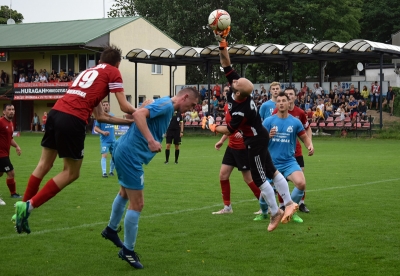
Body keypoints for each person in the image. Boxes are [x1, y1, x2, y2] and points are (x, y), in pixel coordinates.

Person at [13, 45, 137, 235]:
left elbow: (102, 117)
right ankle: (29, 206)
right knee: (71, 173)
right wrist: (141, 115)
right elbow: (124, 105)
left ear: (100, 61)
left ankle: (21, 212)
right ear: (117, 64)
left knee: (43, 164)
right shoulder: (113, 72)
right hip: (73, 118)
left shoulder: (88, 72)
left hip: (56, 112)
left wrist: (128, 124)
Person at [202, 27, 298, 232]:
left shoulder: (239, 109)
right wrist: (222, 42)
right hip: (260, 136)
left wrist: (210, 126)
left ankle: (275, 212)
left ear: (237, 92)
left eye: (235, 82)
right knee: (272, 171)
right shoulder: (240, 92)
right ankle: (289, 203)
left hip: (255, 141)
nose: (233, 80)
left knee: (258, 177)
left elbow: (228, 129)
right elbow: (226, 62)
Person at [100, 87, 199, 269]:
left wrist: (141, 109)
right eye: (191, 104)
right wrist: (151, 140)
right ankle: (128, 250)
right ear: (184, 97)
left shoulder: (164, 104)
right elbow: (137, 116)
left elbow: (136, 115)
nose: (190, 109)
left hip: (125, 151)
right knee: (137, 204)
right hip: (131, 155)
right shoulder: (168, 105)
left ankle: (111, 229)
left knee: (124, 193)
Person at [262, 92, 314, 221]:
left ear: (288, 103)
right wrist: (267, 136)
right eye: (278, 101)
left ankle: (290, 210)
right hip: (271, 163)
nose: (281, 103)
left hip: (289, 162)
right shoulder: (269, 121)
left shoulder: (295, 122)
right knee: (263, 196)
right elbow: (258, 140)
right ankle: (263, 213)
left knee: (301, 184)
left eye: (283, 100)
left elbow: (304, 137)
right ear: (276, 104)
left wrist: (309, 145)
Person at [212, 103, 261, 215]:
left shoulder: (243, 106)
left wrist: (242, 133)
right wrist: (222, 140)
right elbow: (229, 127)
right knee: (223, 175)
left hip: (242, 148)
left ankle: (266, 204)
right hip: (231, 147)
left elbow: (252, 124)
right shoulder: (226, 106)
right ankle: (227, 207)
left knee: (248, 178)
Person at [274, 87, 313, 214]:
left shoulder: (300, 113)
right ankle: (282, 205)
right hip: (281, 153)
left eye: (291, 94)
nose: (289, 96)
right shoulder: (276, 112)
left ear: (295, 97)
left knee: (301, 179)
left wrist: (309, 143)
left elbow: (307, 129)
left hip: (296, 151)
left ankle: (300, 203)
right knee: (282, 181)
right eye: (287, 94)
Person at [0, 104, 23, 206]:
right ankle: (13, 193)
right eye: (9, 109)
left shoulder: (11, 123)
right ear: (4, 112)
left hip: (5, 153)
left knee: (0, 173)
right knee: (11, 172)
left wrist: (17, 146)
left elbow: (10, 139)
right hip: (1, 154)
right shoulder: (0, 122)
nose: (11, 111)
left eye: (13, 109)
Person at [94, 101, 116, 178]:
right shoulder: (100, 117)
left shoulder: (112, 116)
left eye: (107, 105)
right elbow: (96, 128)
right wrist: (103, 132)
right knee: (104, 156)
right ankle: (104, 173)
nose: (106, 106)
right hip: (105, 141)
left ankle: (111, 171)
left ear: (109, 106)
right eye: (104, 105)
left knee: (114, 156)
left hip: (113, 140)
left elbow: (113, 128)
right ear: (102, 107)